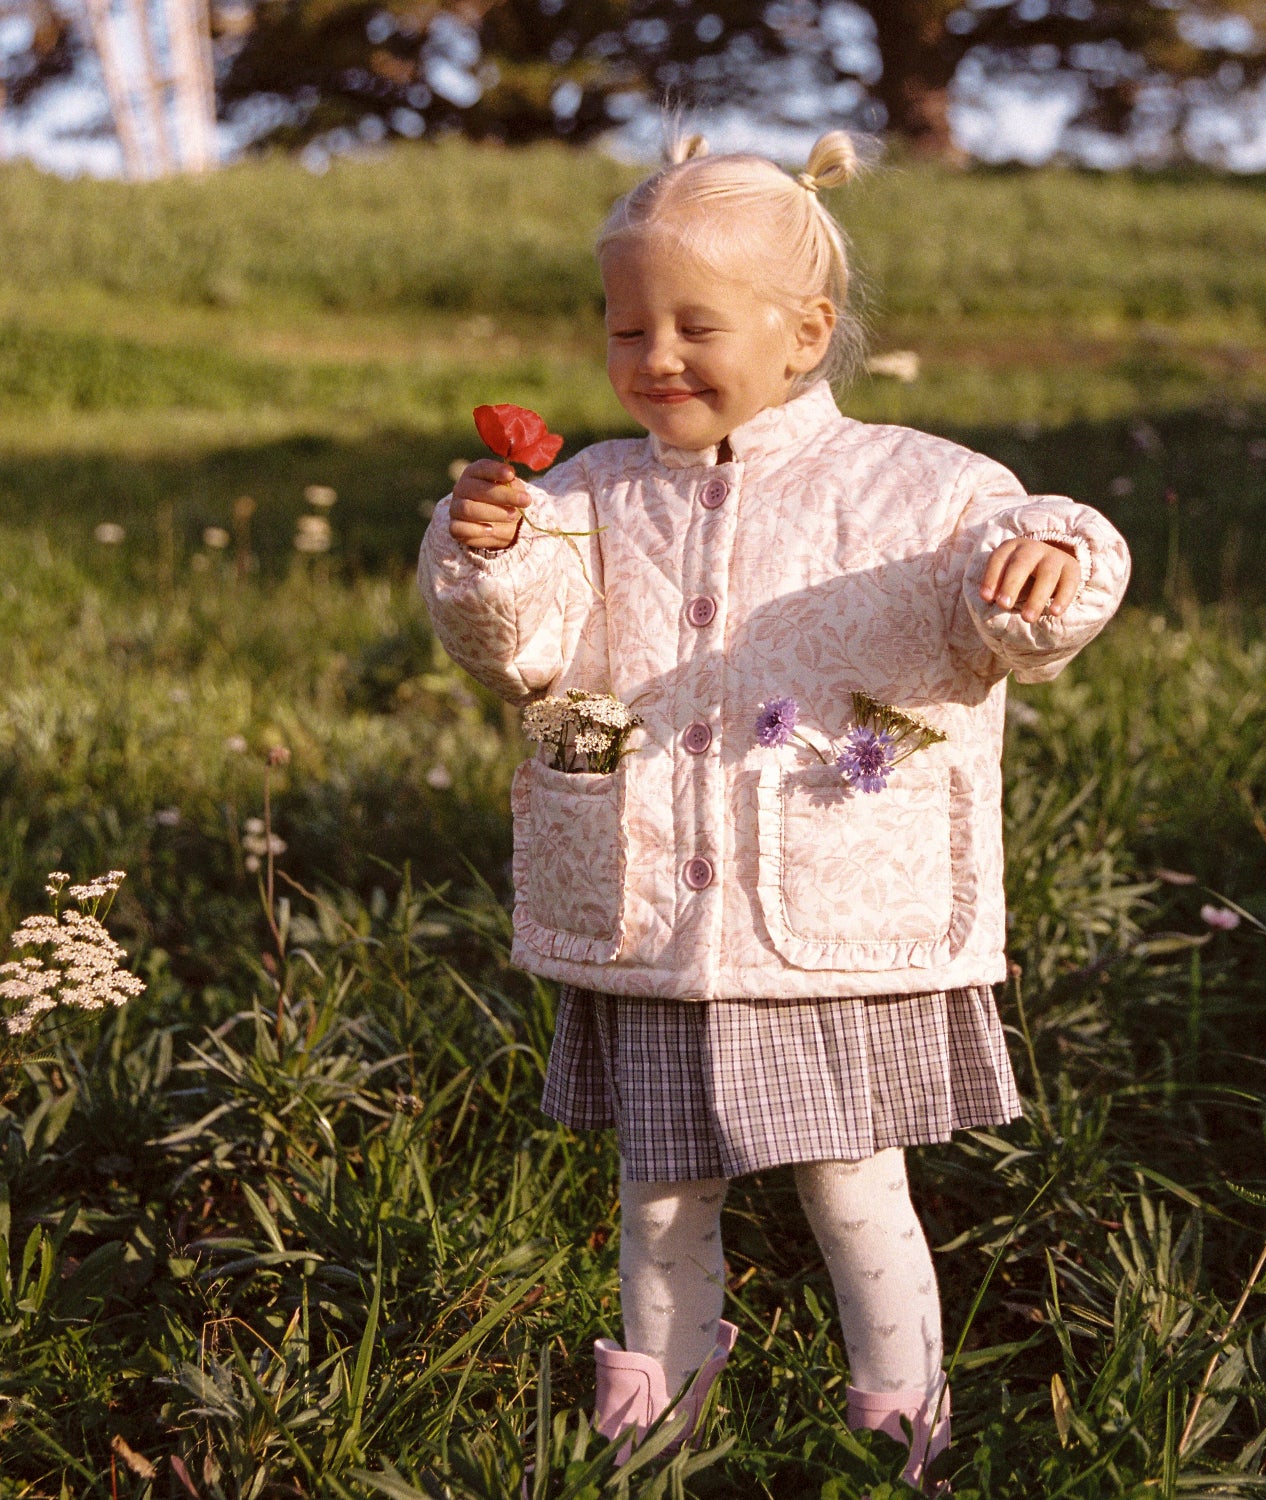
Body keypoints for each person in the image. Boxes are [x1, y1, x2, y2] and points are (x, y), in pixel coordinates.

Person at [418, 130, 1131, 1488]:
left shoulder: (925, 490)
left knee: (854, 1189)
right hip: (651, 919)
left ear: (805, 333)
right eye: (627, 326)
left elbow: (1025, 583)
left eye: (697, 326)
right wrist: (484, 554)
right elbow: (517, 651)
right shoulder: (582, 497)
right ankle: (653, 1441)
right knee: (657, 1196)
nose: (655, 357)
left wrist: (1051, 559)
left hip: (829, 926)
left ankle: (900, 1439)